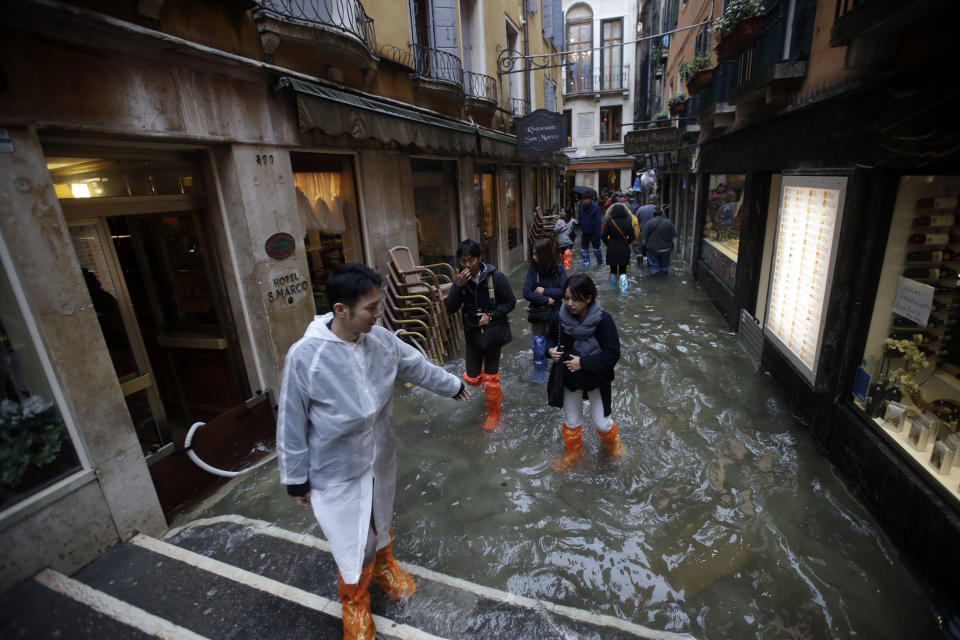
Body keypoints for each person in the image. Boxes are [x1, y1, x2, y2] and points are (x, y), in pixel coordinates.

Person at [277, 263, 470, 640]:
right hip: (334, 466)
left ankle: (385, 566)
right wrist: (295, 477)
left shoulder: (380, 339)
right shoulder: (307, 356)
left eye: (378, 305)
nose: (377, 314)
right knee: (354, 541)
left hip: (379, 453)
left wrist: (451, 385)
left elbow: (415, 364)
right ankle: (354, 603)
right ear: (340, 310)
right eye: (370, 308)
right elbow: (290, 419)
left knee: (380, 515)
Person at [546, 274, 624, 470]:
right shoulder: (558, 319)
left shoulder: (604, 320)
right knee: (572, 422)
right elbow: (549, 340)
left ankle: (614, 444)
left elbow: (612, 353)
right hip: (570, 379)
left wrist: (584, 363)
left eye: (576, 299)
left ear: (588, 298)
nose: (570, 304)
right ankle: (573, 453)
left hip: (597, 379)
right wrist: (550, 351)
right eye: (566, 298)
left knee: (603, 424)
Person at [444, 239, 517, 430]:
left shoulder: (496, 277)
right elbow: (450, 308)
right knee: (472, 378)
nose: (467, 265)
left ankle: (494, 416)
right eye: (463, 260)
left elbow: (510, 302)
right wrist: (458, 286)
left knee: (491, 380)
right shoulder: (460, 280)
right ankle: (486, 383)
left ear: (480, 258)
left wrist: (491, 316)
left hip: (493, 334)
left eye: (471, 260)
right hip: (472, 334)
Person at [523, 238, 567, 384]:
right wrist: (546, 299)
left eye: (536, 254)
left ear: (545, 254)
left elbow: (564, 291)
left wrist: (545, 291)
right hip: (539, 312)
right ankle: (540, 370)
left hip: (557, 311)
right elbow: (526, 293)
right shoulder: (533, 271)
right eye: (533, 254)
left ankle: (559, 368)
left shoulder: (559, 270)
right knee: (538, 341)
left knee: (558, 340)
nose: (534, 257)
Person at [601, 203, 636, 292]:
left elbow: (603, 236)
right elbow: (632, 236)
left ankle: (612, 289)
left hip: (612, 249)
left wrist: (609, 244)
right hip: (624, 248)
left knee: (613, 269)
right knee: (623, 270)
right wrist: (626, 243)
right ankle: (623, 291)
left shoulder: (610, 222)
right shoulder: (628, 222)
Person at [641, 205, 677, 275]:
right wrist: (672, 247)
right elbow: (674, 236)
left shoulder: (649, 223)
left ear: (653, 214)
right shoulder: (669, 222)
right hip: (666, 249)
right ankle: (664, 279)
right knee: (665, 267)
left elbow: (643, 236)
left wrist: (645, 245)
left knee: (653, 267)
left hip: (652, 249)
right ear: (662, 214)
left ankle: (655, 281)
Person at [576, 195, 603, 268]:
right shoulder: (582, 208)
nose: (585, 201)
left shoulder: (596, 208)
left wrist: (598, 235)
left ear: (590, 199)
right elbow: (581, 218)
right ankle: (586, 267)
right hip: (585, 233)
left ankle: (600, 263)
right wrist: (580, 223)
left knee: (596, 250)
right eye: (584, 199)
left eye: (587, 199)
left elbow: (598, 223)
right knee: (584, 251)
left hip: (594, 233)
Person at [633, 195, 659, 267]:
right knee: (652, 251)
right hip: (654, 234)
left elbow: (635, 221)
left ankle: (640, 266)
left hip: (642, 233)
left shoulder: (641, 209)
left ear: (649, 200)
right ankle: (651, 266)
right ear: (655, 200)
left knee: (639, 251)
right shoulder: (660, 210)